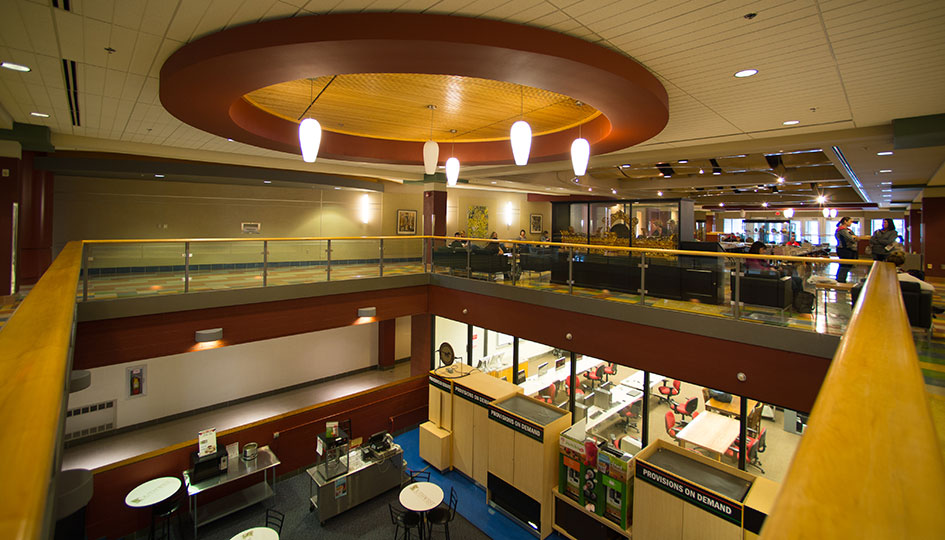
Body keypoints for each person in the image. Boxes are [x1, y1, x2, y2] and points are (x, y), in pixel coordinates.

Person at [835, 216, 858, 283]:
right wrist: (854, 238)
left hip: (848, 249)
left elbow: (855, 237)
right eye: (850, 221)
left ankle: (842, 278)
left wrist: (854, 237)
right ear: (845, 221)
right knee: (844, 265)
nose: (851, 223)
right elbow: (852, 239)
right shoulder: (842, 230)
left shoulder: (848, 230)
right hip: (844, 249)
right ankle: (841, 279)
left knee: (847, 265)